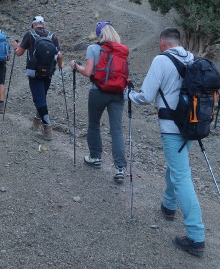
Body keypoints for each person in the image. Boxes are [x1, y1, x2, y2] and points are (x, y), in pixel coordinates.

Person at [127, 27, 206, 257]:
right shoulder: (192, 58)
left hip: (172, 128)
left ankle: (196, 236)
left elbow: (146, 96)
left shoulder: (160, 60)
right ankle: (169, 206)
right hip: (191, 126)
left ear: (163, 43)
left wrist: (127, 94)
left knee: (182, 176)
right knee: (176, 168)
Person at [70, 22, 127, 184]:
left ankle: (95, 157)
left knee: (94, 124)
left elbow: (88, 72)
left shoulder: (93, 48)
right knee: (116, 131)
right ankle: (120, 168)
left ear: (98, 35)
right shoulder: (121, 50)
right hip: (117, 93)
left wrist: (76, 66)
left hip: (98, 91)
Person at [12, 16, 63, 140]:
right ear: (43, 24)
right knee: (42, 96)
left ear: (33, 24)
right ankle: (37, 121)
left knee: (39, 98)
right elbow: (59, 55)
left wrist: (15, 47)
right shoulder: (53, 36)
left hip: (34, 71)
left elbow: (19, 53)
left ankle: (47, 129)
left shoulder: (30, 34)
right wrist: (61, 66)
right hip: (49, 71)